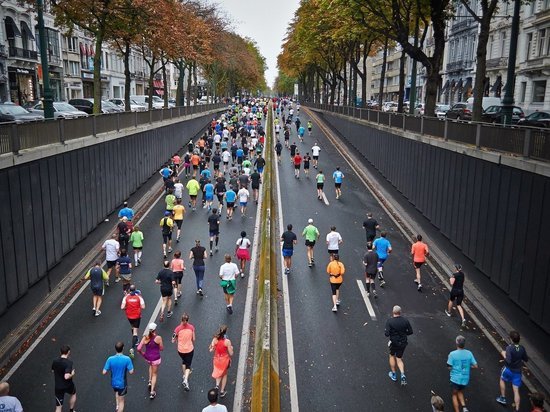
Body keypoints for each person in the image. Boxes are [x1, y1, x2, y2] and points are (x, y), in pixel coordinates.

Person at [496, 330, 529, 410]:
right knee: (516, 390)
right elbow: (526, 359)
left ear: (511, 339)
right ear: (519, 339)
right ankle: (517, 409)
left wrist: (503, 353)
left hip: (508, 369)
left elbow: (508, 360)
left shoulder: (509, 348)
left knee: (502, 379)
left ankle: (503, 398)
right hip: (517, 372)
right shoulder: (522, 348)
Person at [447, 335, 478, 412]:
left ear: (456, 343)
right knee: (460, 391)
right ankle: (464, 408)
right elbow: (475, 366)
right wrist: (469, 366)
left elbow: (449, 367)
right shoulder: (469, 353)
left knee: (454, 395)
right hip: (465, 379)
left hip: (455, 379)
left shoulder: (452, 354)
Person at [385, 305, 413, 386]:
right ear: (400, 312)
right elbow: (410, 332)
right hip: (403, 343)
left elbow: (386, 334)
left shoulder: (389, 321)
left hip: (394, 343)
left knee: (391, 356)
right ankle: (402, 374)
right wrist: (404, 334)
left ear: (393, 312)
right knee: (399, 359)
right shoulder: (405, 321)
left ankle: (394, 375)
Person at [102, 342, 134, 412]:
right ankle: (119, 407)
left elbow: (104, 372)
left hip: (113, 382)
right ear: (123, 348)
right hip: (122, 384)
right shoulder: (127, 359)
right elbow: (131, 372)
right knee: (122, 401)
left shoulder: (110, 359)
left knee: (116, 392)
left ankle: (117, 406)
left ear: (115, 349)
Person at [138, 323, 164, 399]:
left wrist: (143, 354)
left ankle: (149, 381)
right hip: (155, 359)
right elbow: (161, 348)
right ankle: (152, 392)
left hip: (148, 358)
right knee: (155, 374)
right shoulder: (158, 338)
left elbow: (139, 348)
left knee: (150, 366)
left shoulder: (145, 337)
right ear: (155, 329)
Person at [172, 313, 196, 391]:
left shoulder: (177, 329)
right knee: (188, 366)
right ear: (188, 320)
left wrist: (177, 340)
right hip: (189, 349)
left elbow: (173, 339)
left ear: (181, 320)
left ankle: (184, 375)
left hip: (180, 350)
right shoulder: (191, 327)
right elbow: (194, 339)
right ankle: (186, 380)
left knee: (184, 361)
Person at [209, 325, 234, 398]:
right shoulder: (227, 341)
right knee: (224, 374)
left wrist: (212, 347)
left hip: (217, 359)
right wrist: (231, 348)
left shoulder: (214, 339)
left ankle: (217, 385)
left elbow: (211, 349)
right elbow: (231, 353)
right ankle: (222, 391)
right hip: (224, 360)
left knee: (218, 372)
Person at [121, 285, 145, 356]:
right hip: (137, 316)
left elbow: (122, 307)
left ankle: (136, 339)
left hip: (129, 316)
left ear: (129, 290)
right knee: (135, 332)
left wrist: (127, 307)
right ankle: (132, 347)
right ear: (135, 290)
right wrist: (137, 306)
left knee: (132, 327)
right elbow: (143, 307)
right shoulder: (139, 297)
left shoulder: (126, 297)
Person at [52, 345, 76, 412]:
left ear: (60, 352)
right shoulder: (69, 363)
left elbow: (53, 370)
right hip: (68, 385)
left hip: (58, 387)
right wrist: (72, 374)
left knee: (58, 407)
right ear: (68, 352)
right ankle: (71, 410)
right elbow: (66, 376)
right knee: (73, 394)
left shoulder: (55, 361)